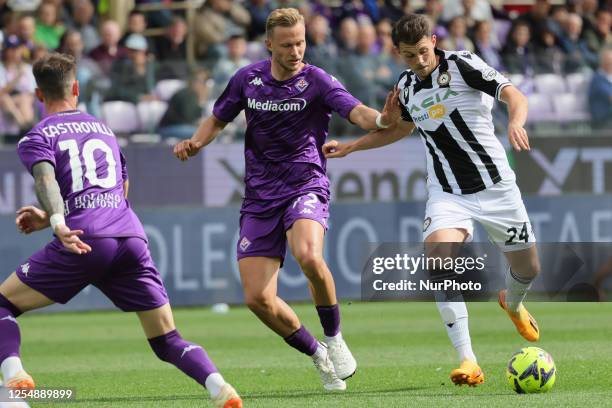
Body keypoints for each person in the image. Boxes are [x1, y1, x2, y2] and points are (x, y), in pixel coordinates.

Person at [0, 53, 242, 408]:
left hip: (83, 239)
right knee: (167, 339)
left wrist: (56, 221)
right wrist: (59, 214)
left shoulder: (36, 136)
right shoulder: (105, 130)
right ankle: (219, 386)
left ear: (39, 95)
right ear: (77, 88)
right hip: (129, 236)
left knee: (3, 304)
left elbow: (45, 178)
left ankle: (13, 381)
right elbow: (120, 189)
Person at [174, 8, 397, 391]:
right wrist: (196, 142)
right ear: (269, 45)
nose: (296, 51)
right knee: (257, 298)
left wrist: (381, 120)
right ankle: (317, 355)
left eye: (300, 42)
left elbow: (356, 110)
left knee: (309, 255)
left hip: (304, 183)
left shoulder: (318, 81)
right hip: (260, 196)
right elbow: (217, 118)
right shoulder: (248, 79)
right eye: (287, 45)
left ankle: (335, 337)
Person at [323, 14, 542, 387]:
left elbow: (513, 95)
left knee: (529, 268)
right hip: (447, 191)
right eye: (410, 56)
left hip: (496, 186)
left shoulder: (463, 64)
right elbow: (400, 129)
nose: (419, 61)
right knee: (437, 258)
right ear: (398, 53)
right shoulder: (406, 86)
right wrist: (350, 148)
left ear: (434, 41)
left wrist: (515, 121)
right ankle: (468, 360)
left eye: (423, 52)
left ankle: (514, 302)